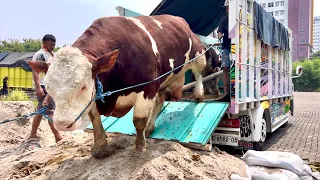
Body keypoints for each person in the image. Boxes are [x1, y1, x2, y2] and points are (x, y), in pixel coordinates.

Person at [28, 34, 63, 142]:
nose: (53, 46)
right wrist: (38, 87)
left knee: (40, 110)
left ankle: (33, 134)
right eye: (52, 44)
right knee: (50, 111)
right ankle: (58, 137)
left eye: (54, 44)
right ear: (46, 42)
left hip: (51, 85)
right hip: (44, 86)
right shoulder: (40, 55)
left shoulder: (51, 54)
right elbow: (35, 71)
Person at [218, 0, 231, 97]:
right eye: (227, 7)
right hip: (227, 47)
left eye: (229, 7)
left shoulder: (239, 20)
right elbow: (219, 33)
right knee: (225, 68)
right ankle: (226, 92)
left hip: (239, 48)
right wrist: (220, 35)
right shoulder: (223, 19)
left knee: (237, 68)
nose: (228, 9)